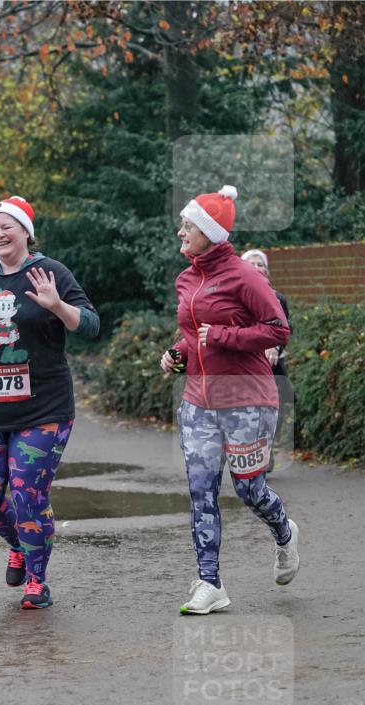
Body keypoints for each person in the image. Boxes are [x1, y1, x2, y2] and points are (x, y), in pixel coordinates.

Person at [0, 195, 99, 609]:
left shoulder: (50, 273)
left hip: (43, 409)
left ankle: (37, 580)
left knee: (28, 495)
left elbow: (90, 324)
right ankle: (19, 543)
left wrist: (57, 305)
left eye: (6, 227)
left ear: (25, 231)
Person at [160, 185, 300, 614]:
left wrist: (223, 336)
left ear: (209, 232)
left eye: (189, 225)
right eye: (183, 223)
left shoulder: (244, 276)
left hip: (247, 401)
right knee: (201, 490)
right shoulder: (187, 277)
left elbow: (278, 329)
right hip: (199, 400)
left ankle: (285, 532)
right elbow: (192, 334)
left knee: (247, 489)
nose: (181, 231)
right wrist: (178, 353)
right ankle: (210, 582)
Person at [241, 249, 295, 473]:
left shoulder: (278, 298)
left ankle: (267, 446)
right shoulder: (238, 298)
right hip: (246, 364)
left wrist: (274, 346)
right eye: (251, 264)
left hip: (273, 364)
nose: (256, 268)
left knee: (285, 398)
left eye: (260, 264)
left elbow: (285, 327)